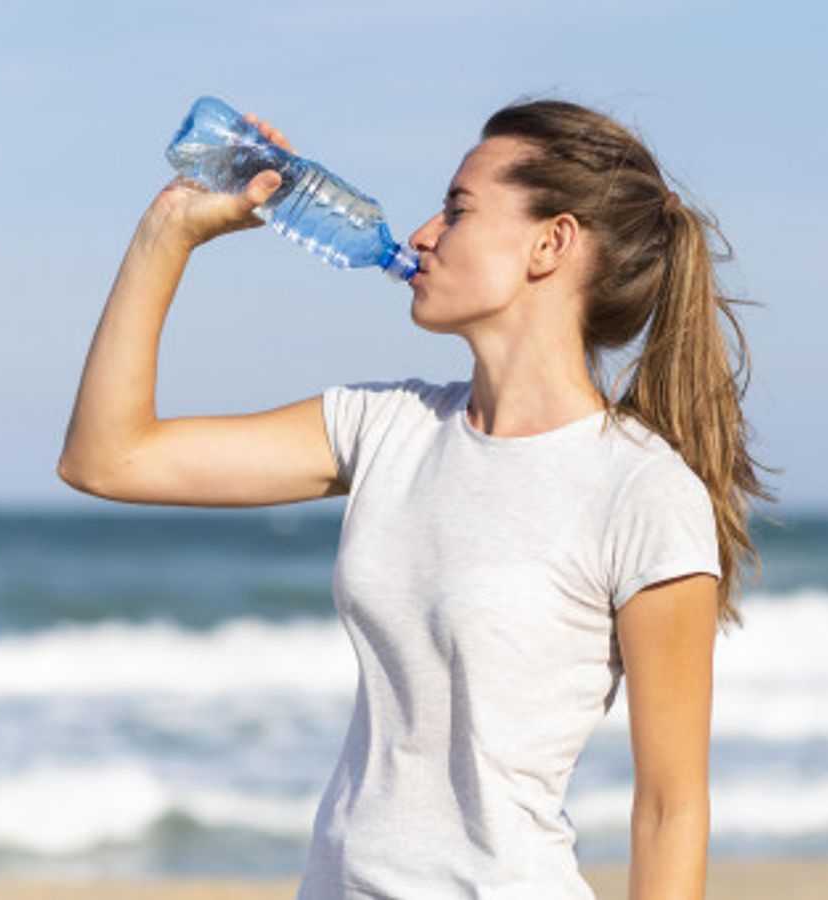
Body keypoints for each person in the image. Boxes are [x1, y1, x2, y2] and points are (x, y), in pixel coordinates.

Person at [58, 98, 774, 899]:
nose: (425, 232)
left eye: (459, 210)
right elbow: (108, 459)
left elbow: (670, 808)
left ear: (552, 243)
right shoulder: (385, 426)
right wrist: (169, 236)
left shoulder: (640, 490)